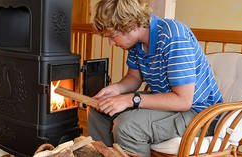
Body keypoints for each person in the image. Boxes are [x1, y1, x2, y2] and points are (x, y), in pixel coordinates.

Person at [88, 0, 223, 156]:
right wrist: (116, 89)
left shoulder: (173, 36)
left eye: (113, 36)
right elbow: (133, 77)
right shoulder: (137, 43)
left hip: (200, 114)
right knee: (99, 110)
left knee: (128, 126)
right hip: (169, 104)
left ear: (131, 24)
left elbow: (183, 101)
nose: (111, 43)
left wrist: (130, 99)